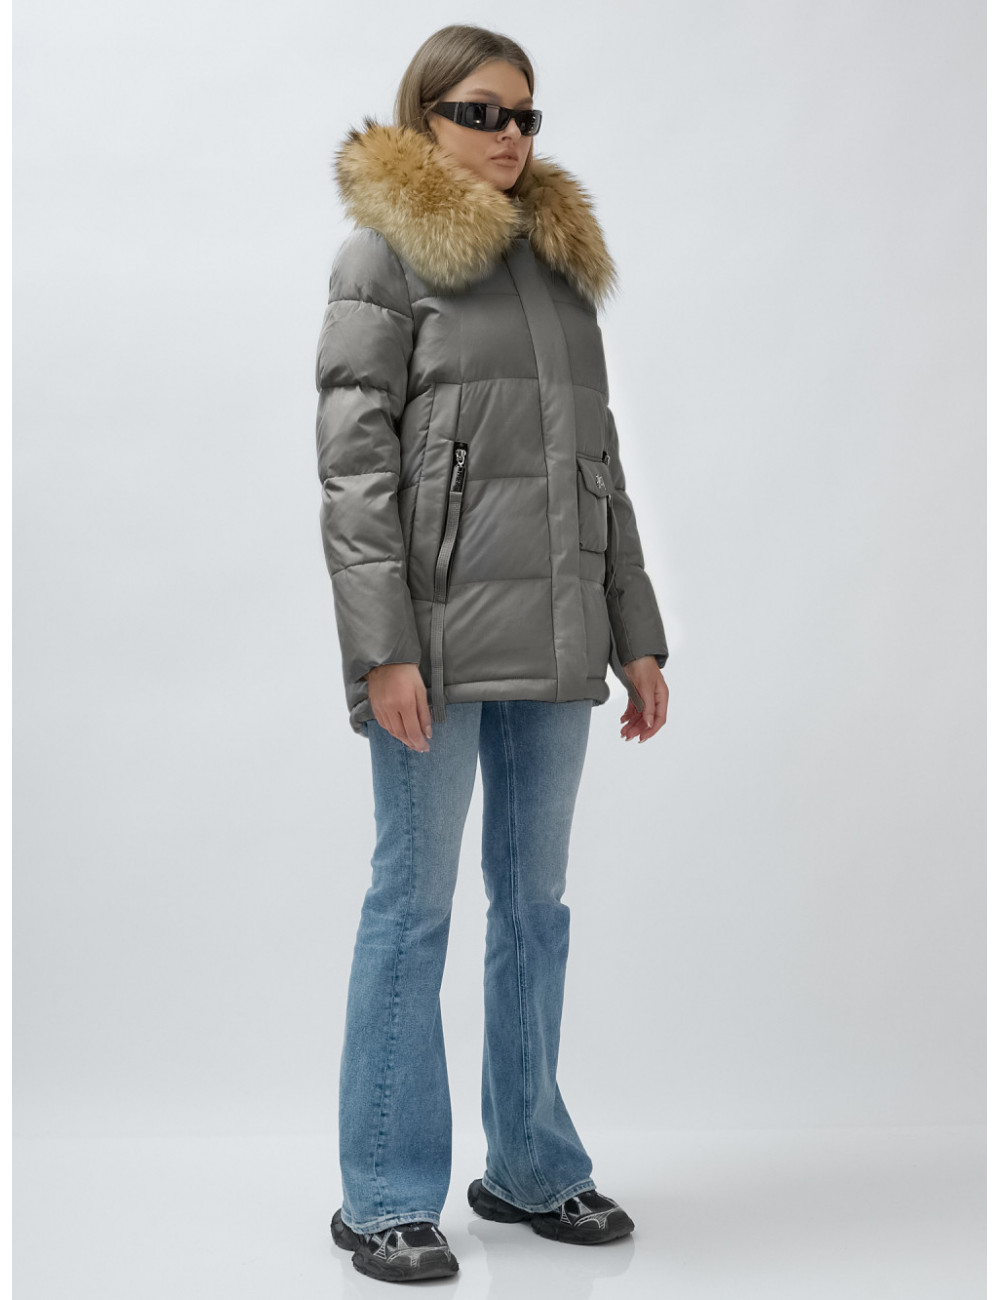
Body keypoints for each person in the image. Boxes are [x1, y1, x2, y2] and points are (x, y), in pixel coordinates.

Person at [313, 24, 670, 1285]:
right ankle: (384, 1192)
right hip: (435, 645)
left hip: (561, 637)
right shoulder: (383, 256)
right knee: (411, 907)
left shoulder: (561, 269)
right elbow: (354, 473)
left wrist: (637, 634)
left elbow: (598, 467)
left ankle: (529, 1163)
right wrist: (383, 650)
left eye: (523, 113)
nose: (509, 134)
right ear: (426, 115)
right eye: (480, 111)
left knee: (534, 909)